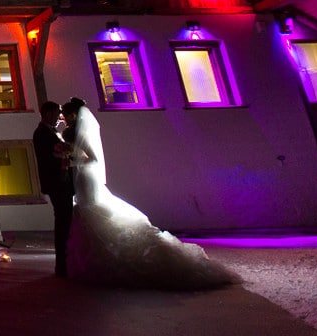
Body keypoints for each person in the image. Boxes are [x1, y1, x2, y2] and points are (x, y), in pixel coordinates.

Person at [65, 98, 241, 290]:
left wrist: (72, 161)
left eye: (67, 115)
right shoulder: (75, 130)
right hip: (81, 176)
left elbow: (94, 159)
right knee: (86, 212)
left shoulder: (81, 131)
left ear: (74, 114)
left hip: (87, 175)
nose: (64, 119)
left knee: (92, 210)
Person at [32, 100, 74, 277]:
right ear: (48, 114)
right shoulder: (42, 133)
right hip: (57, 182)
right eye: (57, 113)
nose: (60, 117)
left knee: (65, 219)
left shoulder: (48, 131)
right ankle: (62, 263)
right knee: (63, 220)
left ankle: (64, 261)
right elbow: (50, 158)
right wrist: (65, 154)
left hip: (59, 181)